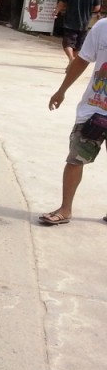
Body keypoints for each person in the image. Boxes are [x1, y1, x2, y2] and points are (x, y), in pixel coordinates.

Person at [39, 15, 107, 226]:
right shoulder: (103, 26)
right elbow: (82, 60)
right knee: (75, 160)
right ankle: (65, 209)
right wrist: (61, 90)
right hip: (94, 109)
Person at [55, 0, 102, 65]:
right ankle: (73, 62)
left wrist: (56, 11)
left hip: (70, 20)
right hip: (85, 22)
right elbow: (97, 8)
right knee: (78, 45)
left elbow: (62, 2)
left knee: (67, 42)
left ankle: (71, 59)